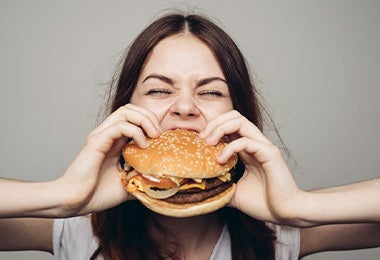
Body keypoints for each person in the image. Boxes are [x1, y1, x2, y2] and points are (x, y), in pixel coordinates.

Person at [1, 12, 380, 259]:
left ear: (239, 117)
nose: (185, 107)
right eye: (159, 90)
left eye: (211, 91)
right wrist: (60, 196)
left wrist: (301, 208)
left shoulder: (279, 235)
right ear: (123, 111)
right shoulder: (77, 228)